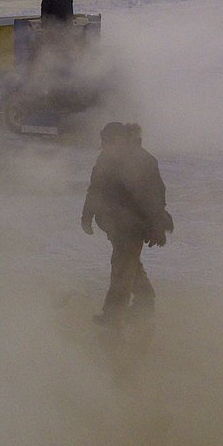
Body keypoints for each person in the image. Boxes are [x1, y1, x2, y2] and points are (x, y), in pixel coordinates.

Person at [80, 121, 173, 325]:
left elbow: (156, 197)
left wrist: (155, 225)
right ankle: (145, 303)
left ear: (122, 140)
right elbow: (95, 188)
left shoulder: (144, 161)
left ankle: (113, 316)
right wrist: (87, 215)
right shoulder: (105, 158)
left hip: (135, 226)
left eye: (109, 141)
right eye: (103, 141)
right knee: (128, 264)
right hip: (113, 223)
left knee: (122, 267)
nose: (105, 145)